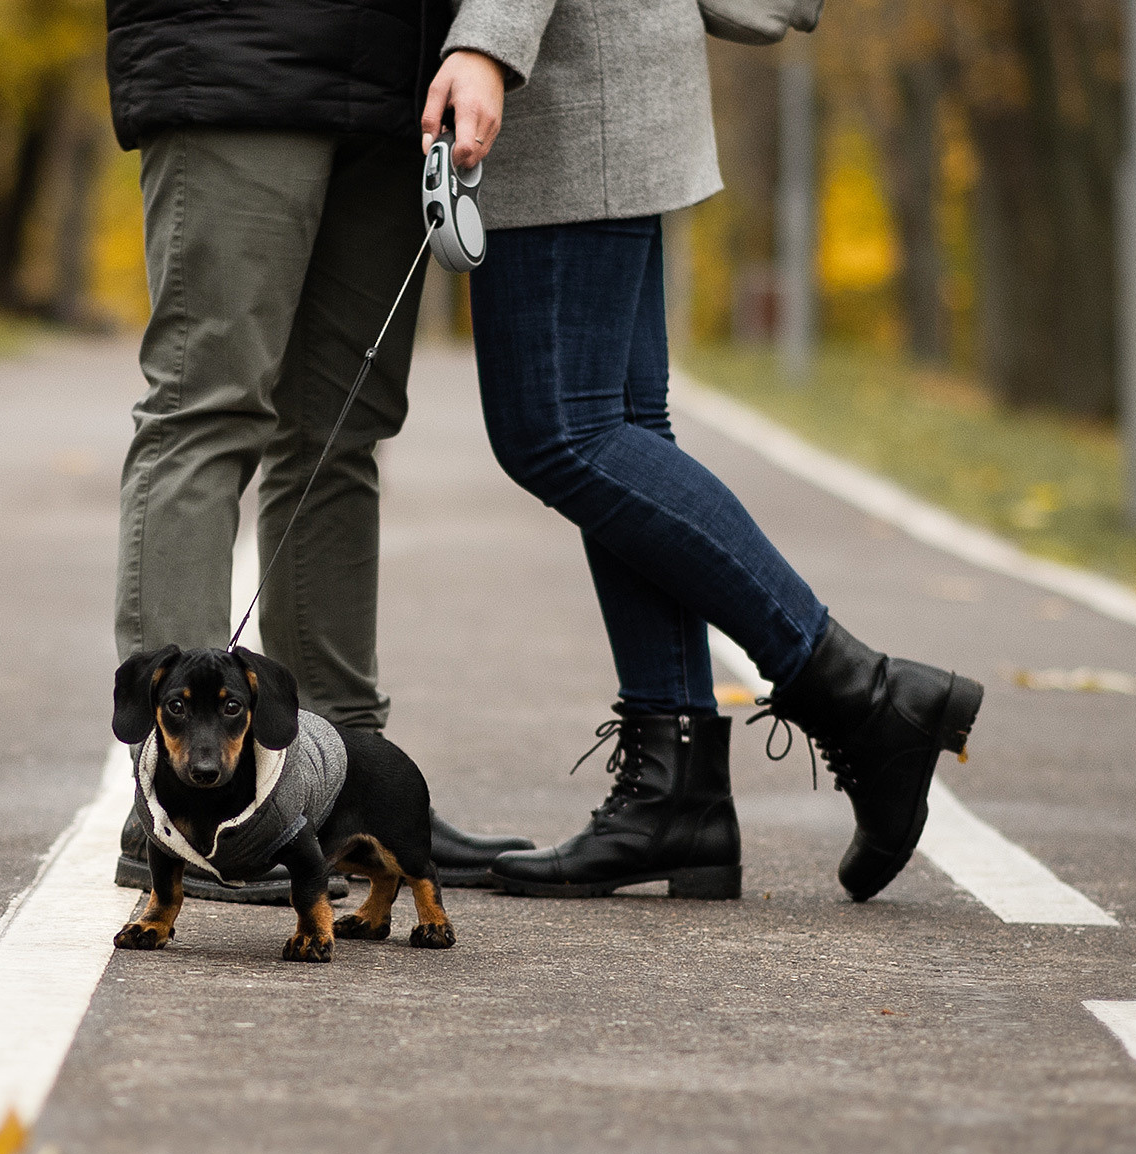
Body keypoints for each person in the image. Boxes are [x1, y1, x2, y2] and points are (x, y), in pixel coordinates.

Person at [421, 1, 984, 902]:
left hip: (567, 79)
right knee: (620, 429)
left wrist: (489, 38)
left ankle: (860, 693)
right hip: (602, 74)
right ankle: (673, 792)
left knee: (560, 431)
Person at [105, 0, 531, 900]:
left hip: (399, 76)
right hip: (240, 53)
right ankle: (176, 817)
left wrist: (480, 42)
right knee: (207, 410)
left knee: (341, 433)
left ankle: (347, 794)